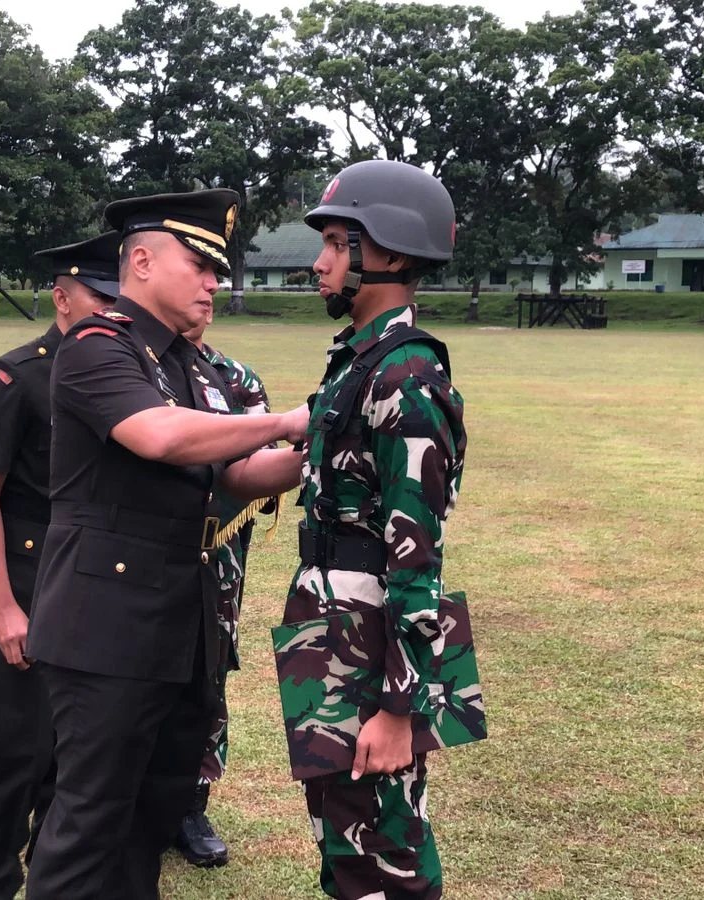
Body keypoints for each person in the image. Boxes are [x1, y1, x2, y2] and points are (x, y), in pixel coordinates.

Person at [24, 188, 306, 900]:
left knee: (152, 816)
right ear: (142, 262)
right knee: (89, 821)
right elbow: (160, 435)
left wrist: (327, 436)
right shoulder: (98, 346)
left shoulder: (196, 366)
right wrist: (284, 420)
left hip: (178, 630)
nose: (217, 281)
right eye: (201, 264)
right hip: (105, 633)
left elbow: (238, 474)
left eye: (220, 268)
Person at [281, 159, 468, 900]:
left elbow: (417, 560)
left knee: (386, 845)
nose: (319, 262)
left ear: (387, 253)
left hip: (369, 633)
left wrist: (399, 706)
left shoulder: (408, 378)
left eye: (334, 242)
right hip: (329, 618)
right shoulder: (358, 364)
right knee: (340, 827)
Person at [0, 231, 120, 900]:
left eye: (116, 299)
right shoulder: (15, 376)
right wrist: (2, 607)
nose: (108, 311)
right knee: (21, 747)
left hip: (84, 585)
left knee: (68, 753)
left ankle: (52, 877)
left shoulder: (118, 376)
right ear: (62, 297)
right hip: (17, 580)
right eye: (96, 298)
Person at [173, 306, 273, 868]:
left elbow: (256, 467)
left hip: (215, 561)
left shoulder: (236, 380)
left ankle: (190, 802)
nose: (205, 297)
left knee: (206, 677)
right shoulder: (129, 367)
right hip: (129, 561)